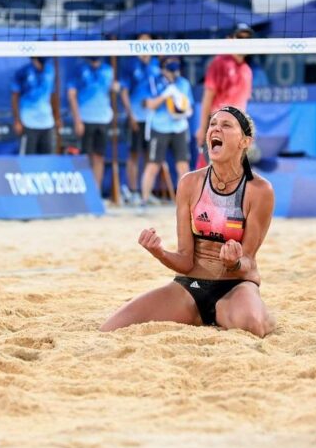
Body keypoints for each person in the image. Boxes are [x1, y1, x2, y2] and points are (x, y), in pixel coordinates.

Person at [100, 106, 276, 337]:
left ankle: (254, 312)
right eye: (213, 124)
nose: (216, 129)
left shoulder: (259, 190)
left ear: (245, 141)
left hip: (235, 285)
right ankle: (202, 315)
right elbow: (185, 260)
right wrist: (159, 252)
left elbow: (248, 262)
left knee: (252, 326)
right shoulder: (189, 183)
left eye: (226, 125)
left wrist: (233, 263)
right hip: (190, 287)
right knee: (111, 328)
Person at [194, 23, 254, 169]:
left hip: (236, 129)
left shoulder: (247, 70)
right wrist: (202, 128)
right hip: (217, 125)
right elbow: (207, 98)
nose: (243, 42)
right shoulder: (219, 63)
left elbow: (243, 105)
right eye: (240, 37)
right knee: (207, 172)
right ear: (230, 39)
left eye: (247, 39)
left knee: (231, 175)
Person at [139, 56, 194, 206]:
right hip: (160, 127)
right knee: (153, 165)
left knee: (183, 165)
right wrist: (165, 96)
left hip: (179, 127)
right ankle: (144, 200)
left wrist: (183, 111)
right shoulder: (154, 82)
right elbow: (148, 104)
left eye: (175, 70)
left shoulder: (183, 83)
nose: (173, 73)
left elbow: (189, 107)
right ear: (163, 69)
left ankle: (185, 202)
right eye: (170, 70)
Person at [119, 34, 161, 206]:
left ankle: (146, 192)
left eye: (148, 42)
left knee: (150, 157)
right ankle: (133, 190)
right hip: (136, 117)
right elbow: (123, 92)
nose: (145, 45)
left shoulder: (156, 65)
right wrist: (130, 115)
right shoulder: (130, 65)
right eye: (141, 42)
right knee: (134, 155)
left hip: (153, 119)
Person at [67, 56, 115, 191]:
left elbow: (111, 90)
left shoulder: (108, 70)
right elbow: (71, 95)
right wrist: (77, 120)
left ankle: (96, 192)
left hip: (103, 119)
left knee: (99, 157)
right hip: (85, 119)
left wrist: (115, 88)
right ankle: (85, 192)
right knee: (84, 158)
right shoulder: (79, 70)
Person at [10, 57, 59, 155]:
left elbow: (53, 95)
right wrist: (17, 120)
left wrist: (56, 117)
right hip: (28, 123)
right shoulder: (23, 72)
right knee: (28, 162)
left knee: (48, 160)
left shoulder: (50, 71)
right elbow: (14, 96)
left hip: (47, 123)